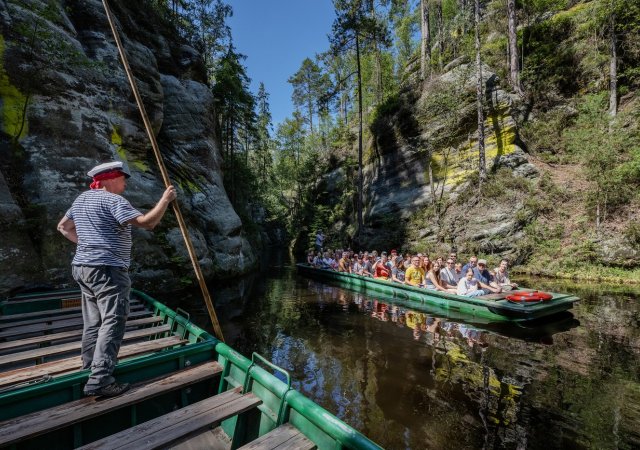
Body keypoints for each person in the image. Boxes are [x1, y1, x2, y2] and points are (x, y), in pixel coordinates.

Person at [57, 161, 177, 397]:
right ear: (111, 178)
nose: (125, 182)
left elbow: (63, 227)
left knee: (93, 322)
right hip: (108, 270)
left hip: (82, 268)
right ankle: (100, 380)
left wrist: (88, 245)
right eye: (123, 178)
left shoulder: (81, 199)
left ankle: (90, 366)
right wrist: (165, 200)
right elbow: (148, 223)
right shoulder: (114, 201)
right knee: (113, 320)